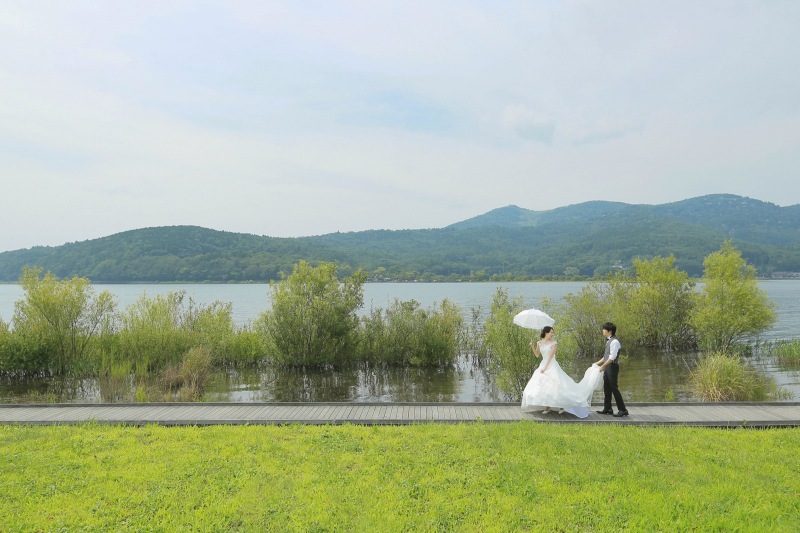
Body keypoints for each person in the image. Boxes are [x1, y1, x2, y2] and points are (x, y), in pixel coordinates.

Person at [521, 326, 603, 418]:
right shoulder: (539, 342)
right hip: (543, 364)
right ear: (546, 333)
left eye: (553, 332)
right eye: (551, 332)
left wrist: (545, 368)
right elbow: (537, 355)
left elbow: (551, 356)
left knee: (557, 385)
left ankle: (562, 406)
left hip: (551, 365)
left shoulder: (554, 343)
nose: (552, 334)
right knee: (544, 386)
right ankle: (547, 407)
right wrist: (532, 346)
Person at [595, 322, 629, 417]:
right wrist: (597, 363)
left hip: (612, 367)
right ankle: (608, 408)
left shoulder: (615, 342)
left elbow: (612, 357)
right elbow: (605, 356)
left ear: (609, 331)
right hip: (607, 366)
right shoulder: (608, 341)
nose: (602, 331)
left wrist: (603, 366)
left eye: (604, 329)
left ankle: (623, 410)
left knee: (614, 388)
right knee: (607, 388)